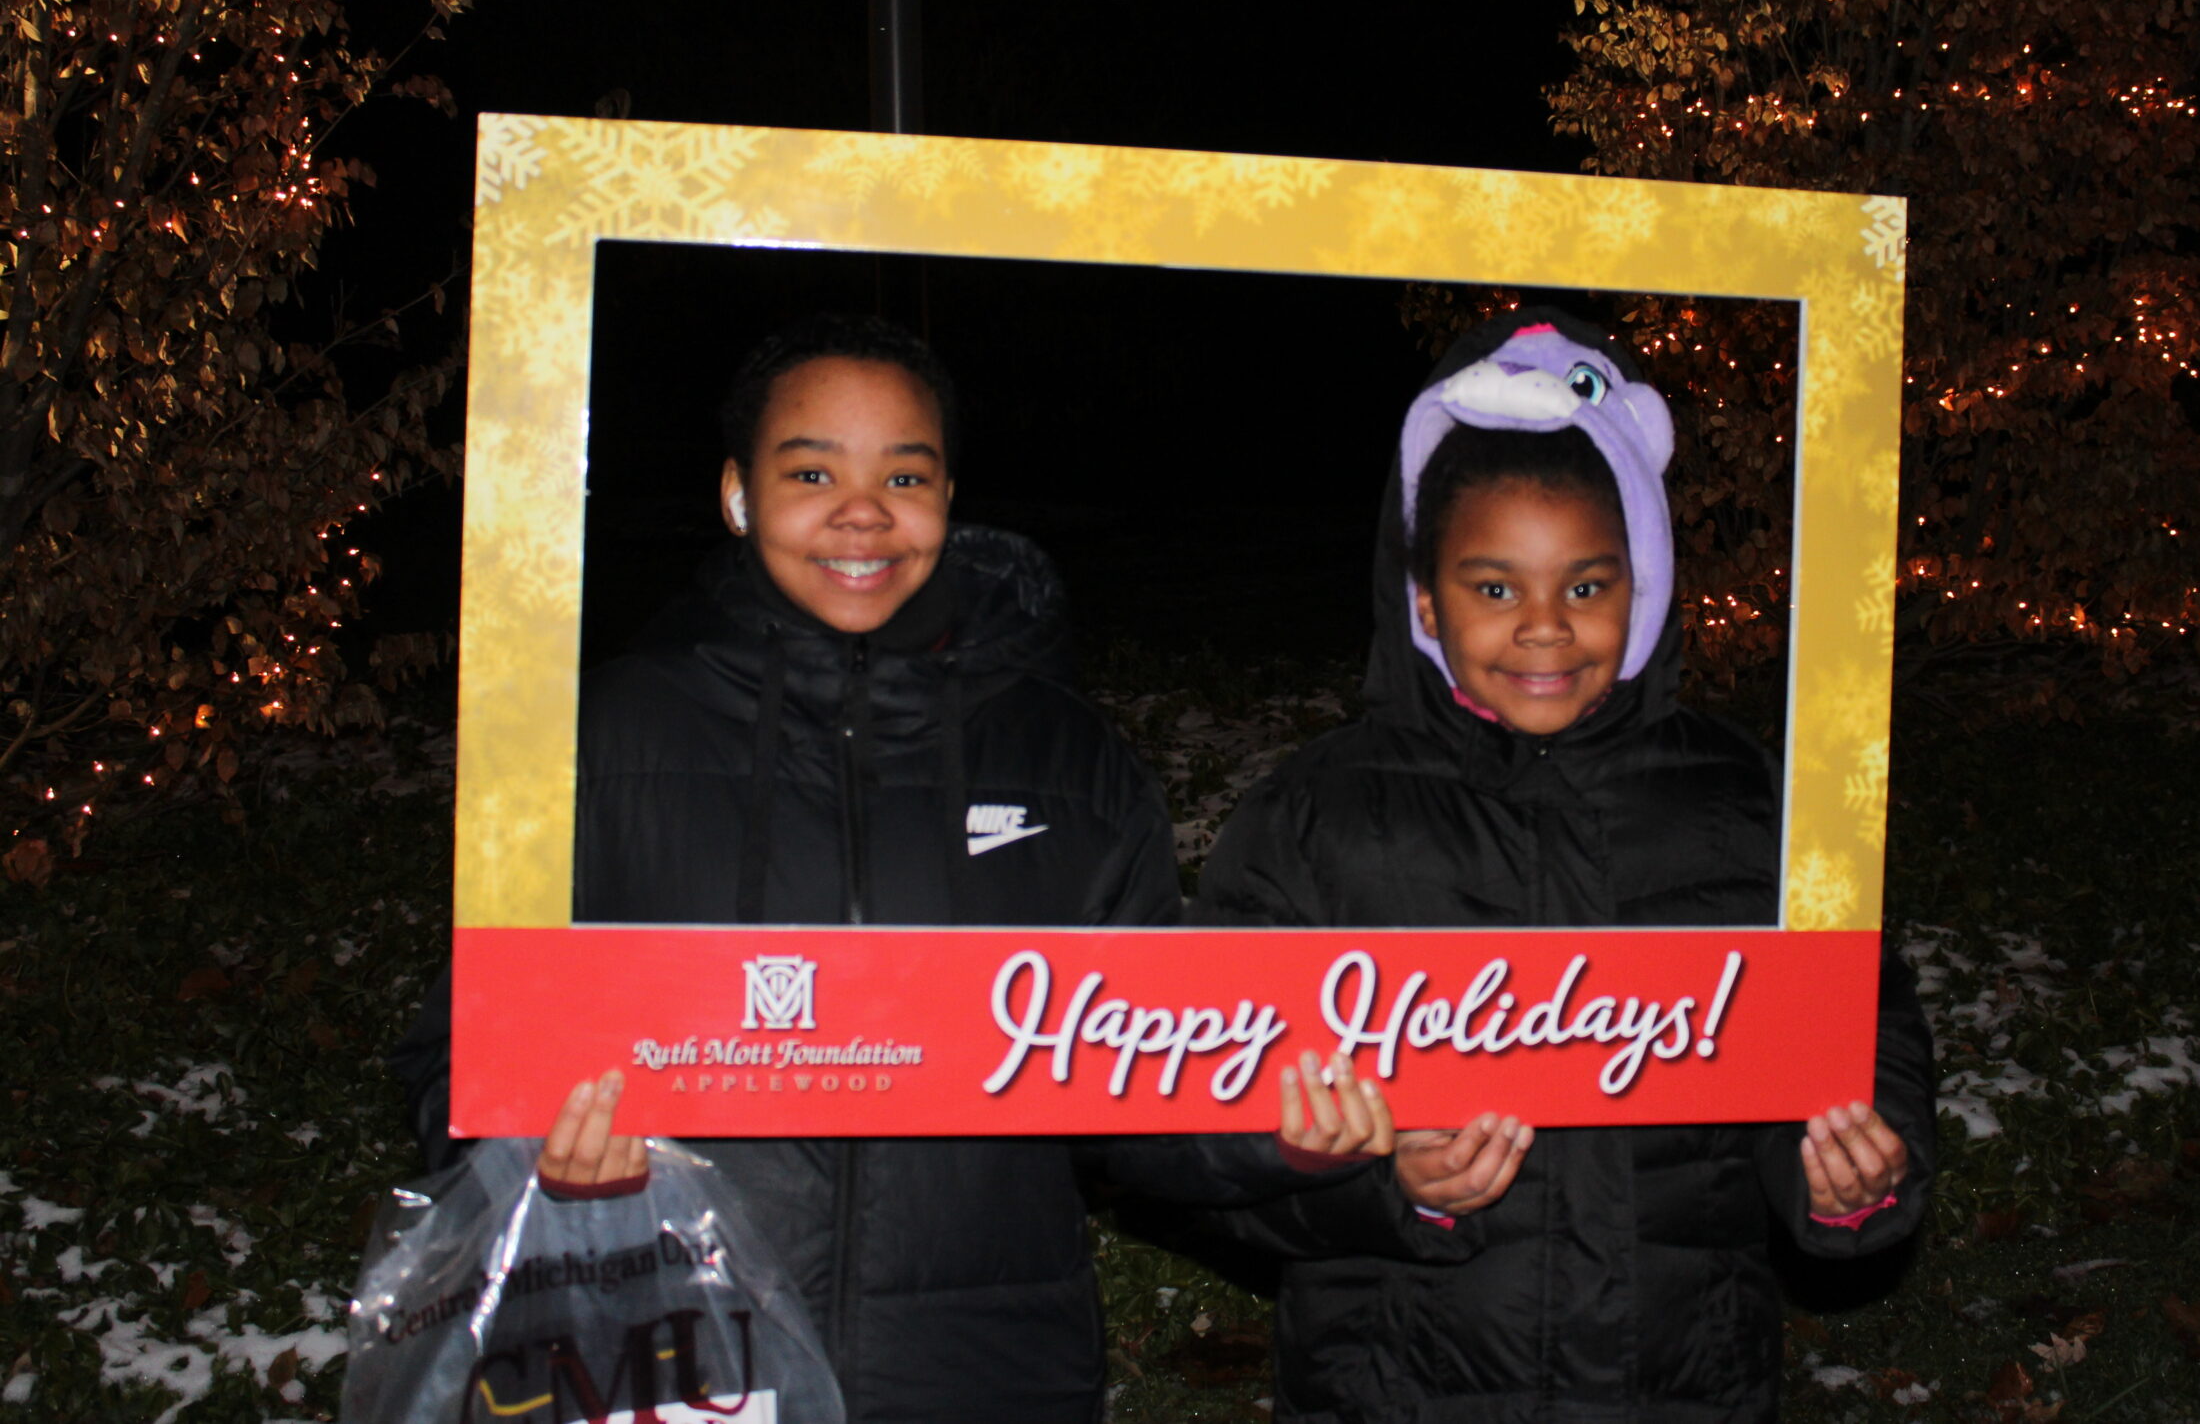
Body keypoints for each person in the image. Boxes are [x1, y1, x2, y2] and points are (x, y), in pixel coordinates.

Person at [392, 313, 1517, 1422]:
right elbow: (461, 1051)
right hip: (670, 1350)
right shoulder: (605, 740)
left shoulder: (1066, 763)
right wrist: (536, 1149)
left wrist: (1283, 1134)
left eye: (907, 477)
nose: (862, 514)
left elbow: (1144, 1084)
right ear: (737, 493)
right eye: (811, 471)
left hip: (987, 1367)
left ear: (947, 499)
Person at [1187, 308, 1938, 1423]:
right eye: (1495, 588)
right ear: (1424, 599)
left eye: (1586, 585)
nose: (1545, 629)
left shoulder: (1747, 805)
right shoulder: (1320, 817)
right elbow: (1196, 1117)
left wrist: (1847, 1177)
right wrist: (1373, 1187)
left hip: (1682, 1381)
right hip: (1399, 1386)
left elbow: (1858, 1030)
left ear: (1644, 588)